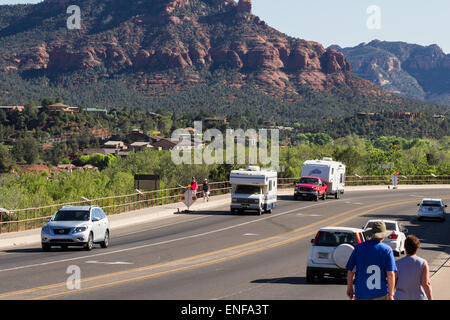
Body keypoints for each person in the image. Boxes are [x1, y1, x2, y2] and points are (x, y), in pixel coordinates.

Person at [346, 221, 397, 300]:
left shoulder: (358, 248)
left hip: (362, 293)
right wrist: (391, 294)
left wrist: (350, 287)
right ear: (383, 236)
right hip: (380, 293)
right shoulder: (387, 250)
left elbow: (351, 271)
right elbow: (390, 274)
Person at [394, 235, 433, 300]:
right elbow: (426, 283)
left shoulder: (397, 263)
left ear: (405, 247)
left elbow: (393, 282)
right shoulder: (422, 263)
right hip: (418, 297)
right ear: (417, 248)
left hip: (401, 296)